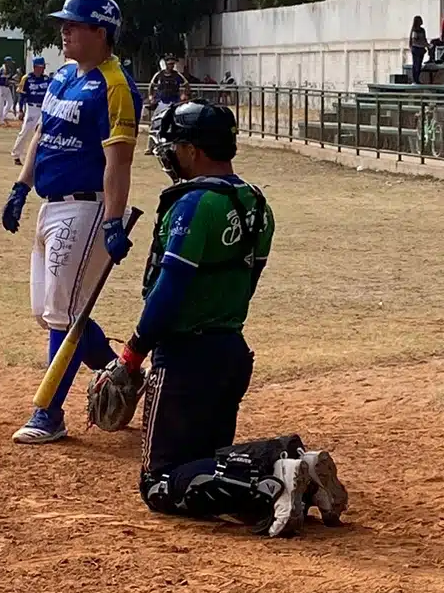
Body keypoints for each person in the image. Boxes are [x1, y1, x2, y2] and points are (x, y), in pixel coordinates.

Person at [88, 101, 348, 536]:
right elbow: (249, 281)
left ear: (194, 151)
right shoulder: (255, 203)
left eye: (175, 146)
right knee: (205, 459)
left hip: (186, 358)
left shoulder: (194, 204)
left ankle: (274, 480)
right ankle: (296, 462)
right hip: (230, 350)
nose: (170, 154)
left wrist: (132, 354)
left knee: (161, 484)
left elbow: (168, 291)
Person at [2, 0, 142, 445]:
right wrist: (21, 187)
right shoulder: (63, 76)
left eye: (74, 25)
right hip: (51, 204)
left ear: (100, 32)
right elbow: (43, 133)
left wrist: (113, 220)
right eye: (64, 23)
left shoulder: (115, 86)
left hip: (86, 208)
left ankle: (48, 413)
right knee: (49, 314)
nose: (64, 31)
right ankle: (115, 371)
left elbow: (119, 160)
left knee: (64, 315)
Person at [11, 54, 51, 165]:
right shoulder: (27, 78)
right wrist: (21, 110)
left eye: (43, 66)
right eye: (41, 66)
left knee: (44, 133)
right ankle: (16, 154)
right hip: (32, 107)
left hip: (43, 108)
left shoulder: (47, 79)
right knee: (25, 131)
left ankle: (41, 156)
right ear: (35, 67)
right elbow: (22, 95)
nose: (43, 69)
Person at [147, 55, 187, 154]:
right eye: (169, 64)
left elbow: (187, 85)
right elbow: (151, 86)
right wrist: (151, 97)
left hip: (174, 103)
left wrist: (184, 95)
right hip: (162, 103)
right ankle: (150, 147)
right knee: (154, 123)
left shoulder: (177, 75)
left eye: (173, 64)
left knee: (176, 124)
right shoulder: (159, 75)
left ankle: (176, 147)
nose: (171, 66)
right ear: (165, 64)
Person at [0, 58, 17, 125]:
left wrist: (10, 81)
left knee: (10, 102)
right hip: (0, 87)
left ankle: (3, 117)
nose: (11, 63)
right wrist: (7, 82)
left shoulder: (9, 69)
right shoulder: (2, 69)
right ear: (6, 62)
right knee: (1, 103)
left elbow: (7, 78)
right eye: (10, 62)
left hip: (6, 87)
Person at [407, 15, 427, 84]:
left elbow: (424, 39)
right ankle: (415, 79)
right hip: (416, 49)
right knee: (416, 64)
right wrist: (423, 44)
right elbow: (414, 41)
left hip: (421, 49)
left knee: (419, 64)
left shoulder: (422, 30)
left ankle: (417, 78)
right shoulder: (414, 30)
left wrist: (426, 45)